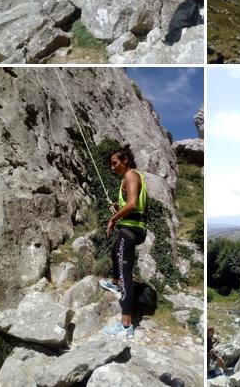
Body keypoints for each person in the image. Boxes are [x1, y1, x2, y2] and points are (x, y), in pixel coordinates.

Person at [101, 145, 148, 339]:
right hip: (132, 227)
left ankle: (126, 324)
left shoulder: (130, 176)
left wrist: (113, 219)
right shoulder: (128, 179)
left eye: (115, 163)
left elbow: (132, 204)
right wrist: (117, 207)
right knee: (115, 253)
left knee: (126, 273)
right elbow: (129, 204)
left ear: (125, 161)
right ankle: (115, 282)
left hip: (130, 229)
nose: (113, 167)